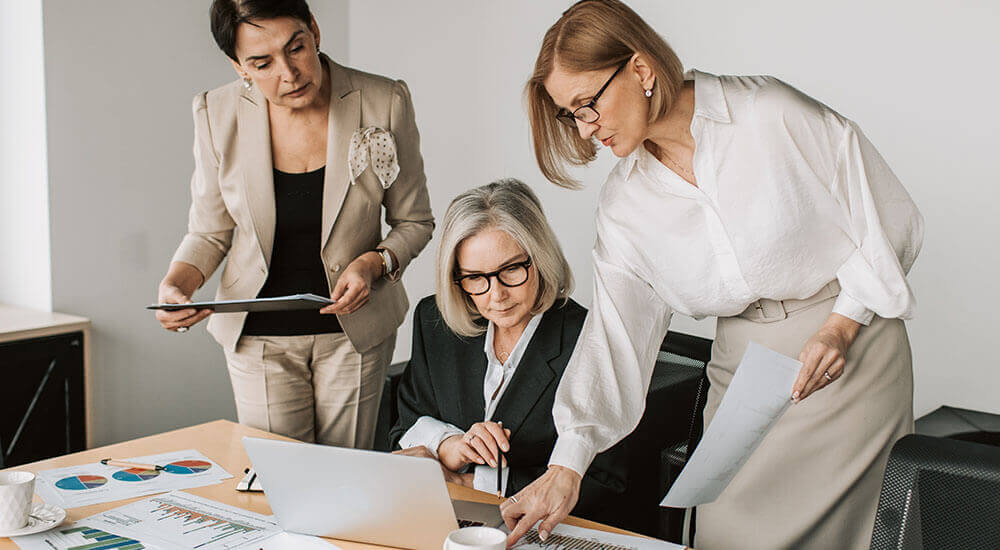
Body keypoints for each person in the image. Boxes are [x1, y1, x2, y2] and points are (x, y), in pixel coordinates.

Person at [500, 1, 923, 548]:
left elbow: (890, 216)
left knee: (865, 537)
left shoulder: (770, 112)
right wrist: (568, 465)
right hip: (747, 373)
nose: (585, 132)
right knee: (727, 531)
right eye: (571, 114)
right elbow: (615, 338)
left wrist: (843, 324)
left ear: (641, 69)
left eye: (587, 105)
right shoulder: (625, 207)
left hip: (853, 356)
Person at [153, 0, 433, 450]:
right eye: (262, 63)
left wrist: (372, 263)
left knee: (348, 481)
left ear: (315, 31)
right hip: (257, 337)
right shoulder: (214, 112)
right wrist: (176, 285)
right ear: (238, 65)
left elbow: (414, 221)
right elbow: (209, 231)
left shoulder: (384, 101)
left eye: (296, 48)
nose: (289, 72)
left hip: (354, 332)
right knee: (280, 484)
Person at [390, 179, 626, 524]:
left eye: (511, 269)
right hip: (436, 515)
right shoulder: (435, 320)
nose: (495, 295)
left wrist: (471, 482)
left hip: (538, 527)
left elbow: (605, 481)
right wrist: (448, 445)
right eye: (474, 277)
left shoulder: (588, 339)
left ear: (540, 257)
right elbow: (404, 426)